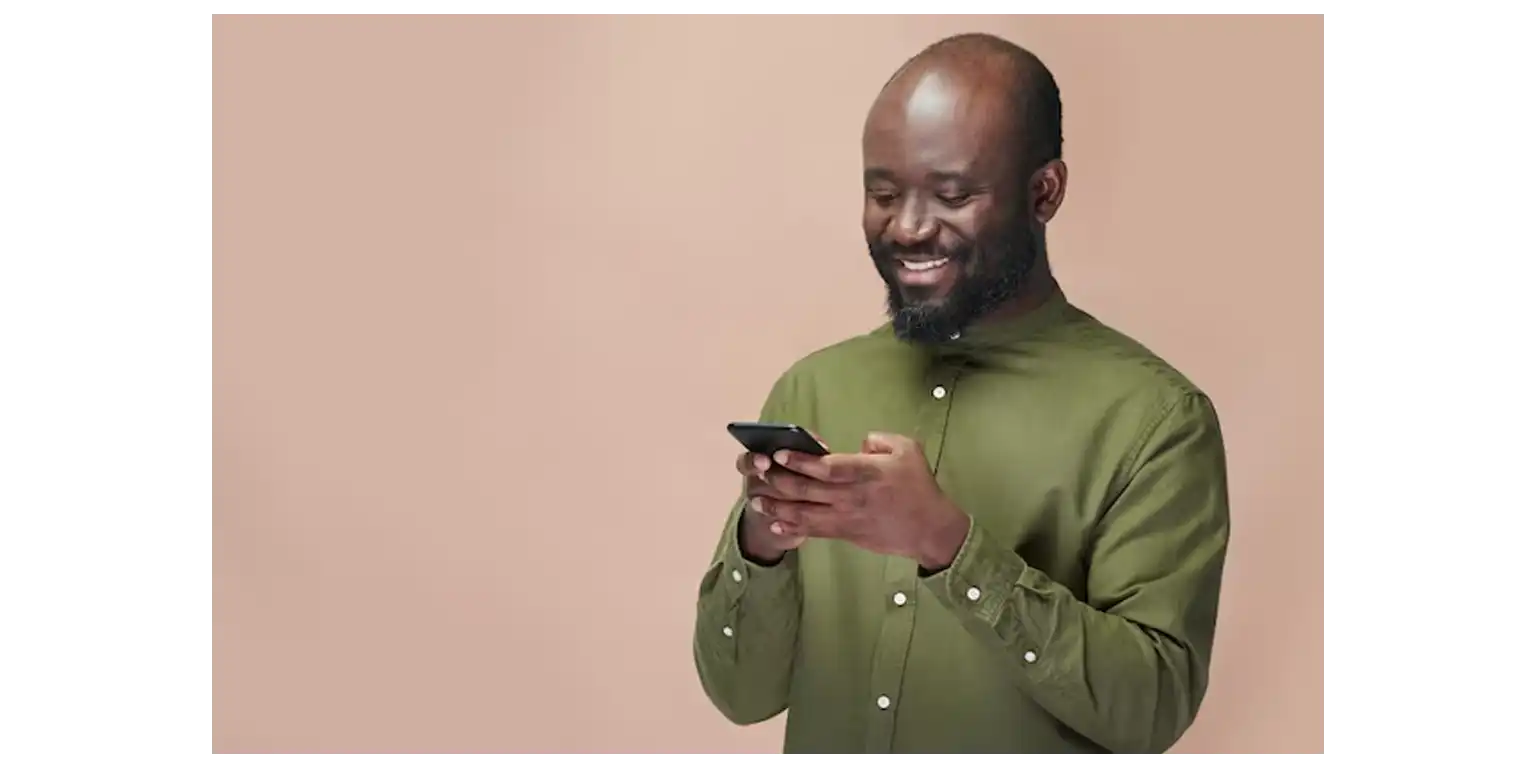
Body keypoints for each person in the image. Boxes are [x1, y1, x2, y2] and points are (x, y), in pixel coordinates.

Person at [692, 32, 1231, 760]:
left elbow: (1152, 712)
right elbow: (741, 695)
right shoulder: (816, 387)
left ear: (1045, 192)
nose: (908, 227)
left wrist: (950, 547)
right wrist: (762, 547)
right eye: (883, 194)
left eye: (952, 195)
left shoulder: (1155, 420)